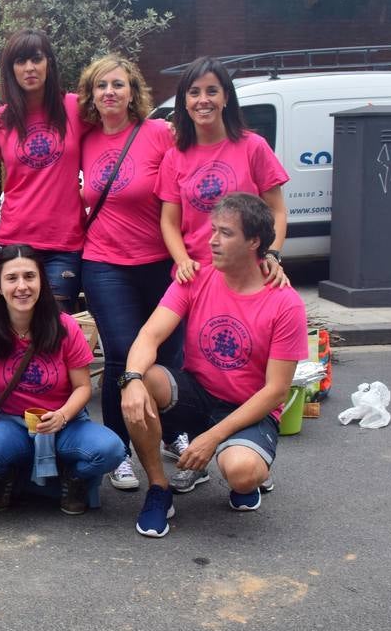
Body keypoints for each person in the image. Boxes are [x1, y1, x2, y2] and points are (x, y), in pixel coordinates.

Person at [121, 194, 307, 538]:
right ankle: (158, 490)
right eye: (213, 230)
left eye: (225, 233)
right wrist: (131, 380)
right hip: (200, 395)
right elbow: (150, 334)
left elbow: (276, 390)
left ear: (254, 242)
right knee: (142, 380)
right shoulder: (196, 278)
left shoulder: (285, 304)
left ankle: (247, 475)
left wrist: (212, 438)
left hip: (248, 408)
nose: (212, 240)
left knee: (241, 471)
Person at [0, 245, 124, 514]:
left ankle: (72, 477)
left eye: (30, 276)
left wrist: (62, 416)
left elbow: (83, 387)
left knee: (111, 450)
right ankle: (12, 475)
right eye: (11, 278)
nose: (22, 286)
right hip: (13, 423)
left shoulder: (64, 326)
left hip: (66, 422)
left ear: (42, 281)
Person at [76, 55, 184, 493]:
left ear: (133, 92)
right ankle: (119, 448)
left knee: (167, 357)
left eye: (118, 85)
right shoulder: (84, 138)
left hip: (160, 262)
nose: (109, 93)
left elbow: (184, 188)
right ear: (91, 95)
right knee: (121, 355)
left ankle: (174, 429)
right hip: (104, 263)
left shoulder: (159, 133)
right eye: (101, 86)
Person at [157, 57, 290, 290]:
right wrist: (182, 261)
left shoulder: (253, 146)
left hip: (247, 274)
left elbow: (276, 209)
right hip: (195, 278)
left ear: (226, 97)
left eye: (212, 91)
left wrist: (271, 255)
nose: (203, 100)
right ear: (185, 102)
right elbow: (169, 221)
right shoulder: (173, 157)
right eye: (194, 92)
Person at [0, 29, 85, 312]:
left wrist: (164, 130)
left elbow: (116, 134)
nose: (29, 68)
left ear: (49, 63)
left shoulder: (75, 108)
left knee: (54, 331)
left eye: (36, 59)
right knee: (15, 333)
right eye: (20, 61)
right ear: (10, 69)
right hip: (14, 241)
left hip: (64, 245)